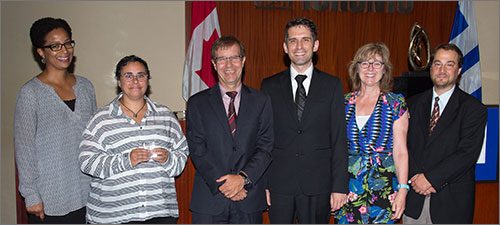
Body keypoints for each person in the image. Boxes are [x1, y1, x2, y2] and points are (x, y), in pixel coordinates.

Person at [78, 55, 188, 224]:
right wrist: (126, 160)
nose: (135, 81)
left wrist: (168, 159)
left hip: (159, 214)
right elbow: (87, 162)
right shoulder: (101, 119)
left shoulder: (165, 116)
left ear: (148, 79)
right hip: (113, 216)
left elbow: (182, 154)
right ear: (118, 81)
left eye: (141, 75)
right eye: (128, 75)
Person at [260, 17, 348, 224]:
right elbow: (264, 138)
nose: (299, 46)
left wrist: (339, 186)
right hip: (280, 185)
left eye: (305, 40)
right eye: (293, 40)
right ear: (285, 46)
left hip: (318, 185)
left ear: (315, 45)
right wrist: (263, 183)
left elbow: (338, 139)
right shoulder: (269, 86)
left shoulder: (332, 85)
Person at [14, 17, 96, 224]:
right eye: (55, 46)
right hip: (50, 198)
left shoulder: (86, 87)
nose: (65, 50)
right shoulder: (30, 93)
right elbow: (24, 148)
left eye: (68, 43)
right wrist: (31, 194)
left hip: (88, 193)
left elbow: (95, 139)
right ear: (41, 52)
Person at [186, 35, 273, 223]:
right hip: (210, 199)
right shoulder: (197, 103)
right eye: (222, 59)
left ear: (243, 60)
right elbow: (198, 149)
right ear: (214, 64)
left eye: (234, 57)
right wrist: (227, 185)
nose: (229, 64)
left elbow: (265, 147)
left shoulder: (261, 101)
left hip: (248, 198)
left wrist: (242, 179)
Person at [403, 43, 487, 224]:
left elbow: (467, 153)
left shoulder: (473, 109)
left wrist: (430, 179)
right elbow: (403, 146)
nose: (442, 70)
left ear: (458, 71)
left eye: (449, 64)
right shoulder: (411, 104)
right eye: (437, 63)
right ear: (431, 68)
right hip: (413, 199)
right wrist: (416, 178)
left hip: (451, 203)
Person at [333, 43, 409, 224]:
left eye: (377, 63)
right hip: (348, 189)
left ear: (385, 70)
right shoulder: (342, 103)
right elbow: (334, 150)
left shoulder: (395, 103)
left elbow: (400, 151)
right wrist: (334, 188)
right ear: (356, 68)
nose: (370, 68)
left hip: (383, 189)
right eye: (365, 63)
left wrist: (403, 190)